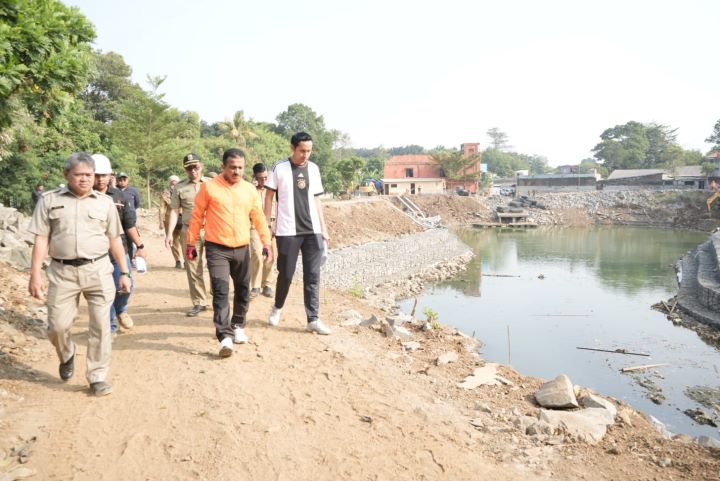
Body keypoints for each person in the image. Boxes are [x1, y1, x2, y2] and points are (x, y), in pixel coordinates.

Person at [27, 152, 131, 397]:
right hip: (62, 273)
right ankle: (67, 354)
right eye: (79, 175)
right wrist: (35, 275)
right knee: (57, 326)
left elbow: (115, 239)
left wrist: (124, 272)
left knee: (101, 326)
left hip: (98, 271)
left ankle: (97, 377)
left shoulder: (104, 203)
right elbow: (41, 239)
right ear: (66, 175)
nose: (85, 179)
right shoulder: (49, 200)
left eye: (89, 175)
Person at [186, 149, 271, 357]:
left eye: (240, 167)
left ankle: (238, 325)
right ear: (223, 166)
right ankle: (224, 337)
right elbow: (197, 216)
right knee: (221, 291)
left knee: (243, 290)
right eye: (232, 167)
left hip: (242, 248)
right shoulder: (209, 187)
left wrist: (266, 242)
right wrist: (190, 243)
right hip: (217, 248)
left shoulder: (249, 190)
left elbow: (258, 217)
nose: (236, 171)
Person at [264, 132, 331, 335]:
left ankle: (313, 319)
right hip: (287, 231)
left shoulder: (314, 169)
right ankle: (277, 307)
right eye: (302, 150)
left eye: (309, 151)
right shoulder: (279, 168)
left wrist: (324, 229)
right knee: (286, 274)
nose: (305, 155)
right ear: (293, 148)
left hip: (313, 231)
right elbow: (268, 197)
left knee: (313, 275)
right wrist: (266, 226)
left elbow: (317, 200)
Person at [91, 154, 147, 336]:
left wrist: (140, 245)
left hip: (119, 249)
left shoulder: (120, 197)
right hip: (94, 254)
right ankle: (111, 327)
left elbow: (129, 224)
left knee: (125, 285)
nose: (100, 179)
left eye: (103, 175)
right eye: (96, 175)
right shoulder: (83, 197)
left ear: (110, 176)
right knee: (104, 292)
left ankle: (121, 309)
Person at [165, 154, 209, 316]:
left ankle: (219, 300)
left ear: (201, 166)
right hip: (190, 232)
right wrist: (169, 234)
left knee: (217, 266)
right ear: (185, 169)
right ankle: (199, 302)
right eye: (189, 168)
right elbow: (175, 211)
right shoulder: (179, 187)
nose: (193, 170)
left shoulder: (211, 184)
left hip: (212, 230)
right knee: (193, 267)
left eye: (195, 167)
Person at [249, 163, 277, 299]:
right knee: (256, 254)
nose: (264, 181)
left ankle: (267, 285)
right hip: (254, 226)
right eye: (261, 178)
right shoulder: (249, 190)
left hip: (271, 225)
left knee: (270, 256)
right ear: (255, 176)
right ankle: (255, 286)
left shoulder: (273, 190)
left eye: (266, 177)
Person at [159, 175, 183, 269]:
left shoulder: (183, 192)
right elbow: (162, 208)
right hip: (170, 220)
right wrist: (161, 221)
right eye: (172, 182)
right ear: (169, 183)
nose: (174, 183)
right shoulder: (165, 194)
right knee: (173, 240)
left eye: (175, 182)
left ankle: (187, 260)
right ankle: (177, 260)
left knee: (185, 239)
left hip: (183, 218)